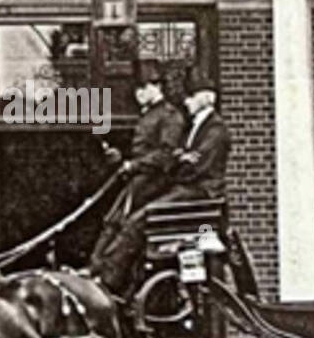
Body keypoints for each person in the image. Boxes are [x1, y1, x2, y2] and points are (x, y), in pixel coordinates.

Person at [90, 72, 231, 296]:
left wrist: (179, 161)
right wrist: (181, 158)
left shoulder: (215, 130)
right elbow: (180, 158)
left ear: (205, 97)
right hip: (187, 188)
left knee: (140, 219)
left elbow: (194, 166)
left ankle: (109, 281)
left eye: (190, 97)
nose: (186, 102)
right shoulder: (196, 126)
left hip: (199, 192)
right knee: (119, 219)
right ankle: (99, 269)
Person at [89, 64, 185, 272]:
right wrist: (122, 158)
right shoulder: (149, 115)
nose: (138, 93)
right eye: (136, 89)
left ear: (157, 87)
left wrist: (134, 165)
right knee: (111, 221)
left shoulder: (170, 116)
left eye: (143, 87)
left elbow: (166, 155)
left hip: (155, 181)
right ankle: (95, 267)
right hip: (140, 179)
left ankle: (109, 275)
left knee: (126, 225)